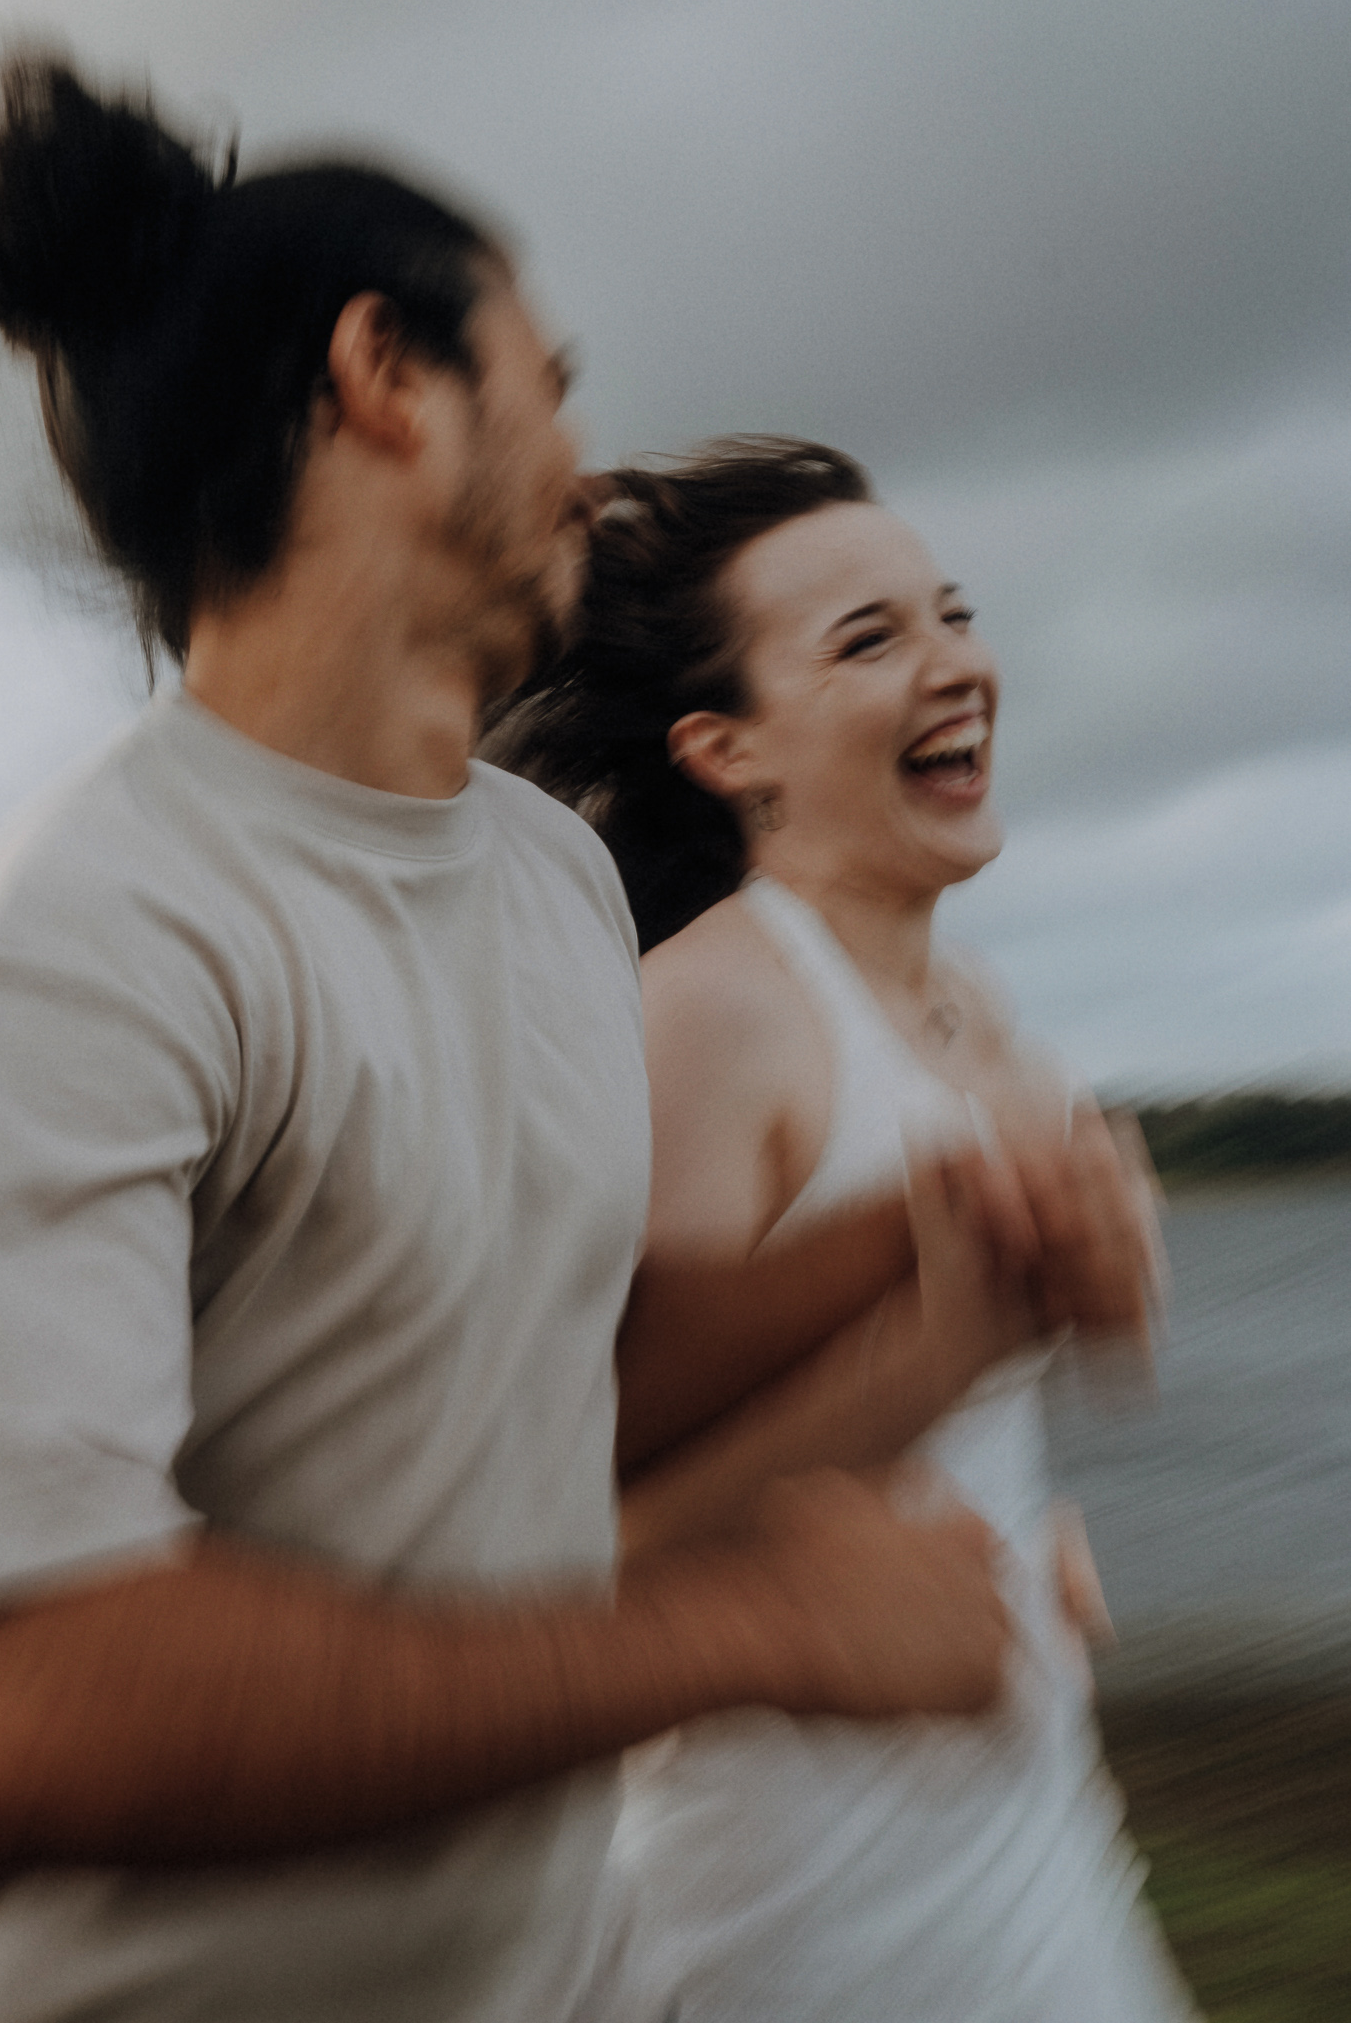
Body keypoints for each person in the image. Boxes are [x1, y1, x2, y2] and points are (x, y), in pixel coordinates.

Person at [0, 56, 1149, 2023]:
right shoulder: (81, 951)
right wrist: (745, 1627)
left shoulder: (545, 877)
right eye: (549, 375)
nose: (587, 458)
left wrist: (946, 1235)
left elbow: (555, 1364)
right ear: (386, 379)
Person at [499, 436, 1194, 2022]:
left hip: (1026, 1803)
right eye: (869, 641)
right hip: (803, 1884)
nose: (954, 665)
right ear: (725, 748)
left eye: (954, 615)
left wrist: (1028, 1542)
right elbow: (586, 1536)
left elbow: (950, 1414)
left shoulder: (984, 1017)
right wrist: (953, 1342)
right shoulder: (709, 1017)